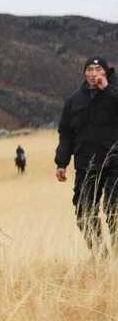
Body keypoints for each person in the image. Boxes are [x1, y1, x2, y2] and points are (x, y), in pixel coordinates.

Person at [54, 57, 118, 254]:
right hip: (86, 164)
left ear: (105, 72)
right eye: (89, 69)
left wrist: (106, 89)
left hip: (115, 162)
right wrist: (62, 162)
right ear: (84, 73)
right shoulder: (74, 100)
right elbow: (66, 133)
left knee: (113, 209)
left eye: (98, 69)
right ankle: (100, 254)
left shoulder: (114, 93)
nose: (94, 73)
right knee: (84, 211)